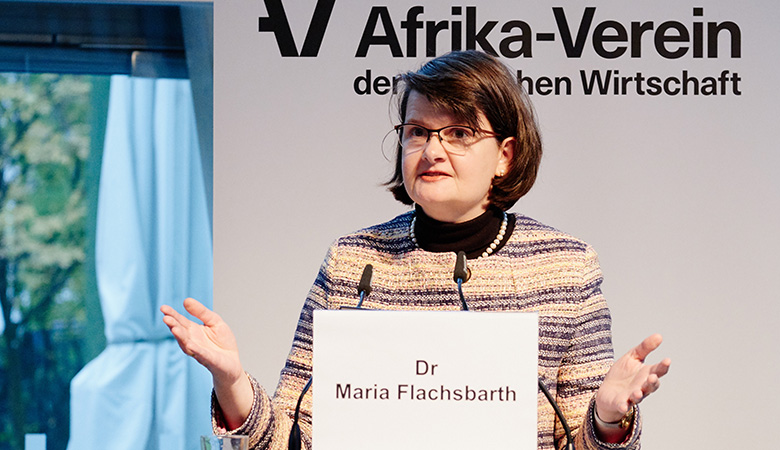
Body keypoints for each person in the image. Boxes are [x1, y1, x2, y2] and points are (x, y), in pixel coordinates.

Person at [161, 50, 670, 450]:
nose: (431, 151)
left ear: (505, 155)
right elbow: (289, 440)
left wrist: (605, 419)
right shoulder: (352, 262)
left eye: (459, 133)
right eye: (417, 132)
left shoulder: (566, 268)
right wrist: (231, 381)